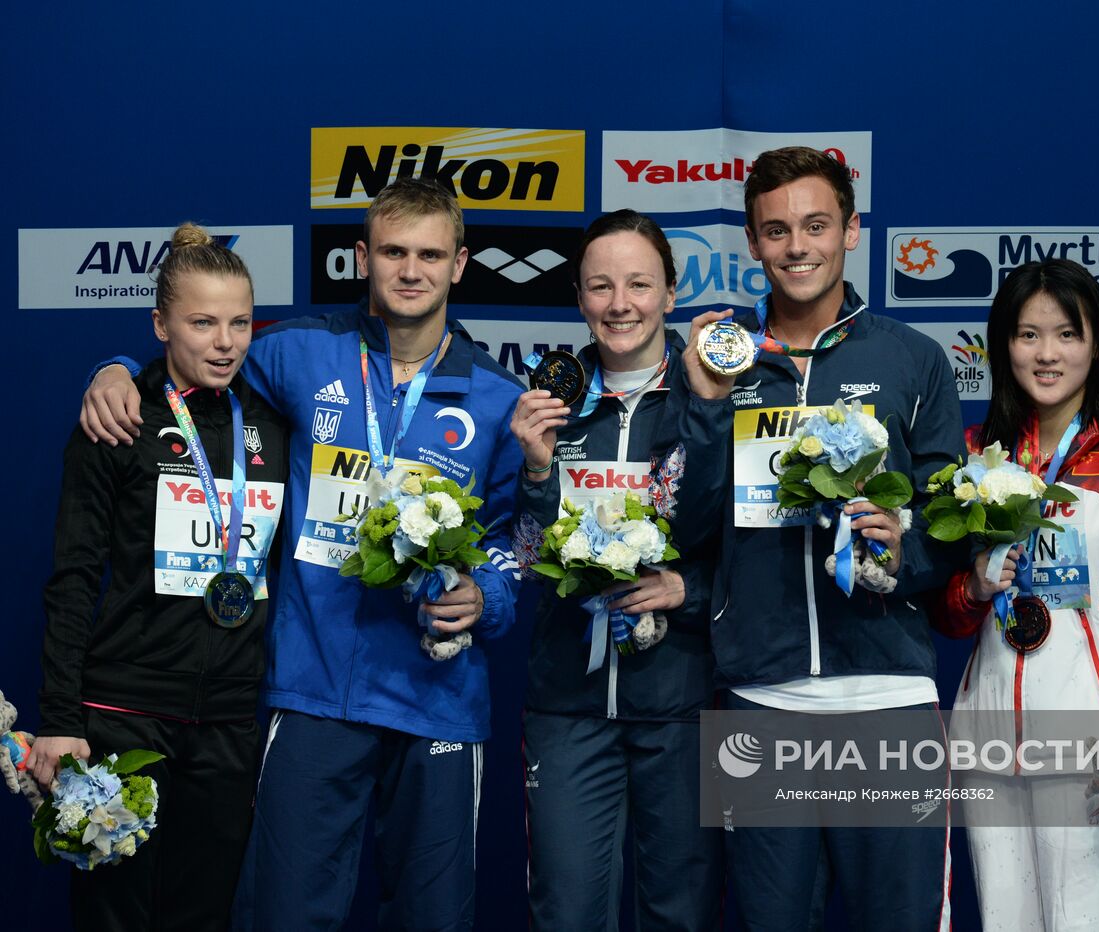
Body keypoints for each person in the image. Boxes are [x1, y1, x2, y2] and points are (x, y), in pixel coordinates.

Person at [79, 179, 524, 931]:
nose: (410, 270)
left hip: (437, 696)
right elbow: (194, 361)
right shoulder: (297, 352)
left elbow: (516, 540)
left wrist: (488, 597)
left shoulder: (497, 395)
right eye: (392, 251)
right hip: (314, 693)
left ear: (460, 264)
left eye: (429, 254)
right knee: (283, 915)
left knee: (434, 919)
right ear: (361, 259)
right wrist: (118, 367)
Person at [679, 145, 966, 929]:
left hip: (888, 694)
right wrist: (705, 407)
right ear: (750, 240)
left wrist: (907, 554)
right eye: (775, 231)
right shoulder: (721, 362)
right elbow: (687, 530)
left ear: (851, 230)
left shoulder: (913, 359)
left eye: (815, 225)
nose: (796, 247)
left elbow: (954, 520)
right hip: (759, 700)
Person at [30, 223, 289, 931]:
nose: (224, 342)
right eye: (202, 323)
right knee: (113, 916)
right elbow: (74, 576)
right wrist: (58, 719)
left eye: (239, 323)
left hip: (230, 719)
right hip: (124, 712)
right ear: (160, 324)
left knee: (201, 917)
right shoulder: (117, 417)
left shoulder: (272, 424)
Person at [934, 258, 1099, 930]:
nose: (1047, 354)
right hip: (990, 735)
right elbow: (949, 616)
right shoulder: (975, 454)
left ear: (1096, 343)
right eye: (1027, 335)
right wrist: (974, 584)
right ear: (1002, 344)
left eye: (1066, 335)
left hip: (1090, 738)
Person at [509, 209, 722, 931]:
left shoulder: (710, 400)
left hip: (684, 704)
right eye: (601, 286)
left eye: (639, 283)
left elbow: (755, 553)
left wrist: (691, 591)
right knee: (567, 913)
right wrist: (538, 472)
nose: (620, 303)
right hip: (570, 705)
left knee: (681, 914)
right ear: (579, 298)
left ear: (671, 291)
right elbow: (532, 559)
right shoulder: (551, 407)